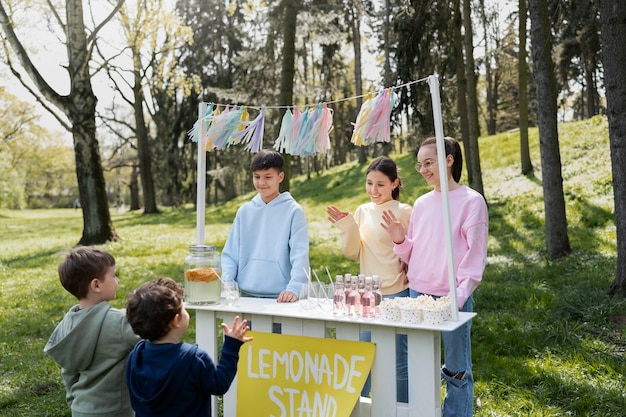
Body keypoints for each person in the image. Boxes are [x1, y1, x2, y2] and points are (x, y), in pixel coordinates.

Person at [381, 137, 488, 417]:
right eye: (420, 165)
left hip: (452, 299)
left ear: (449, 160)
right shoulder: (422, 203)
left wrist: (458, 298)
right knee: (420, 367)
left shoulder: (472, 202)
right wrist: (400, 240)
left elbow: (474, 259)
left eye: (429, 163)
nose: (423, 170)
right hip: (418, 296)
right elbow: (414, 253)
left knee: (456, 370)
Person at [327, 156, 412, 403]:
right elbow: (353, 253)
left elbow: (412, 251)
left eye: (381, 184)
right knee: (362, 359)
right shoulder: (363, 211)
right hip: (367, 297)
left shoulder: (405, 212)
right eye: (369, 183)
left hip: (398, 293)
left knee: (398, 361)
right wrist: (347, 226)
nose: (373, 190)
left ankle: (400, 409)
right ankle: (358, 408)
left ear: (395, 184)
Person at [125, 277, 253, 417]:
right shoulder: (194, 359)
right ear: (176, 320)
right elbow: (219, 384)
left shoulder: (136, 355)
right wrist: (231, 346)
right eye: (183, 308)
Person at [44, 247, 140, 417]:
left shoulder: (66, 325)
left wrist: (74, 402)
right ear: (96, 285)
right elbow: (154, 346)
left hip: (81, 409)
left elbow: (68, 372)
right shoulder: (120, 321)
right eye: (113, 275)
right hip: (117, 411)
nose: (117, 280)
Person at [221, 149, 310, 302]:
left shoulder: (293, 211)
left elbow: (300, 254)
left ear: (280, 177)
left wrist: (294, 287)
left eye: (268, 177)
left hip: (282, 296)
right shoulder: (245, 211)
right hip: (244, 296)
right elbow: (231, 252)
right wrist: (227, 282)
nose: (261, 182)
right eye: (257, 177)